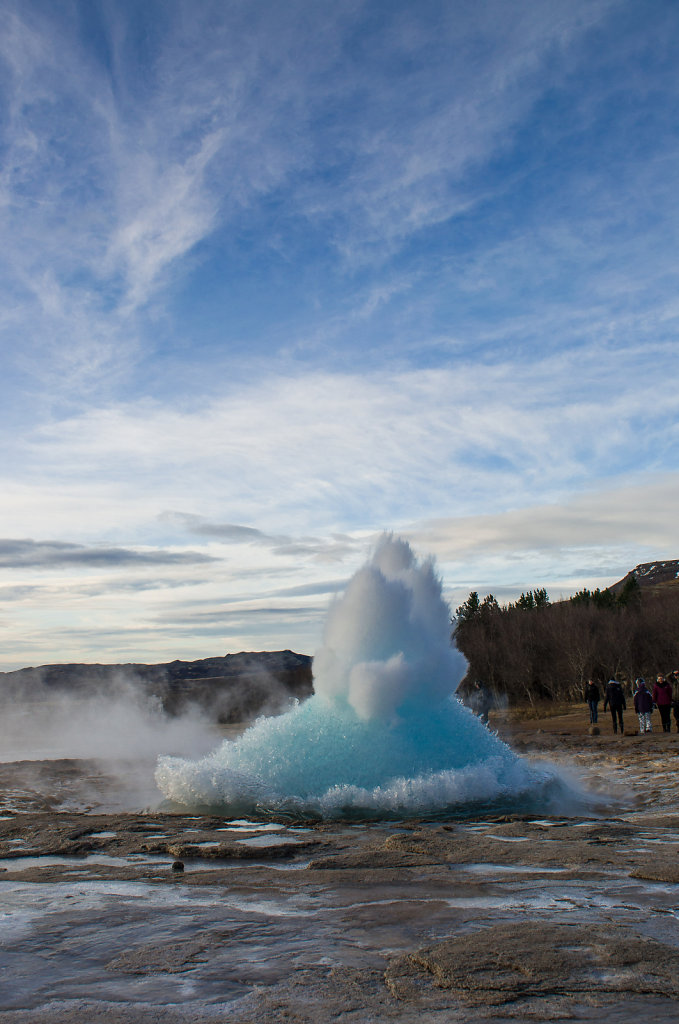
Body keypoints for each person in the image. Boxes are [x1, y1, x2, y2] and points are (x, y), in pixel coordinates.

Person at [667, 669, 679, 733]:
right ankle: (678, 727)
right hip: (675, 700)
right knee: (675, 715)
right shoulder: (674, 682)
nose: (676, 676)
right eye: (675, 675)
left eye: (677, 675)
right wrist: (672, 672)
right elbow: (667, 677)